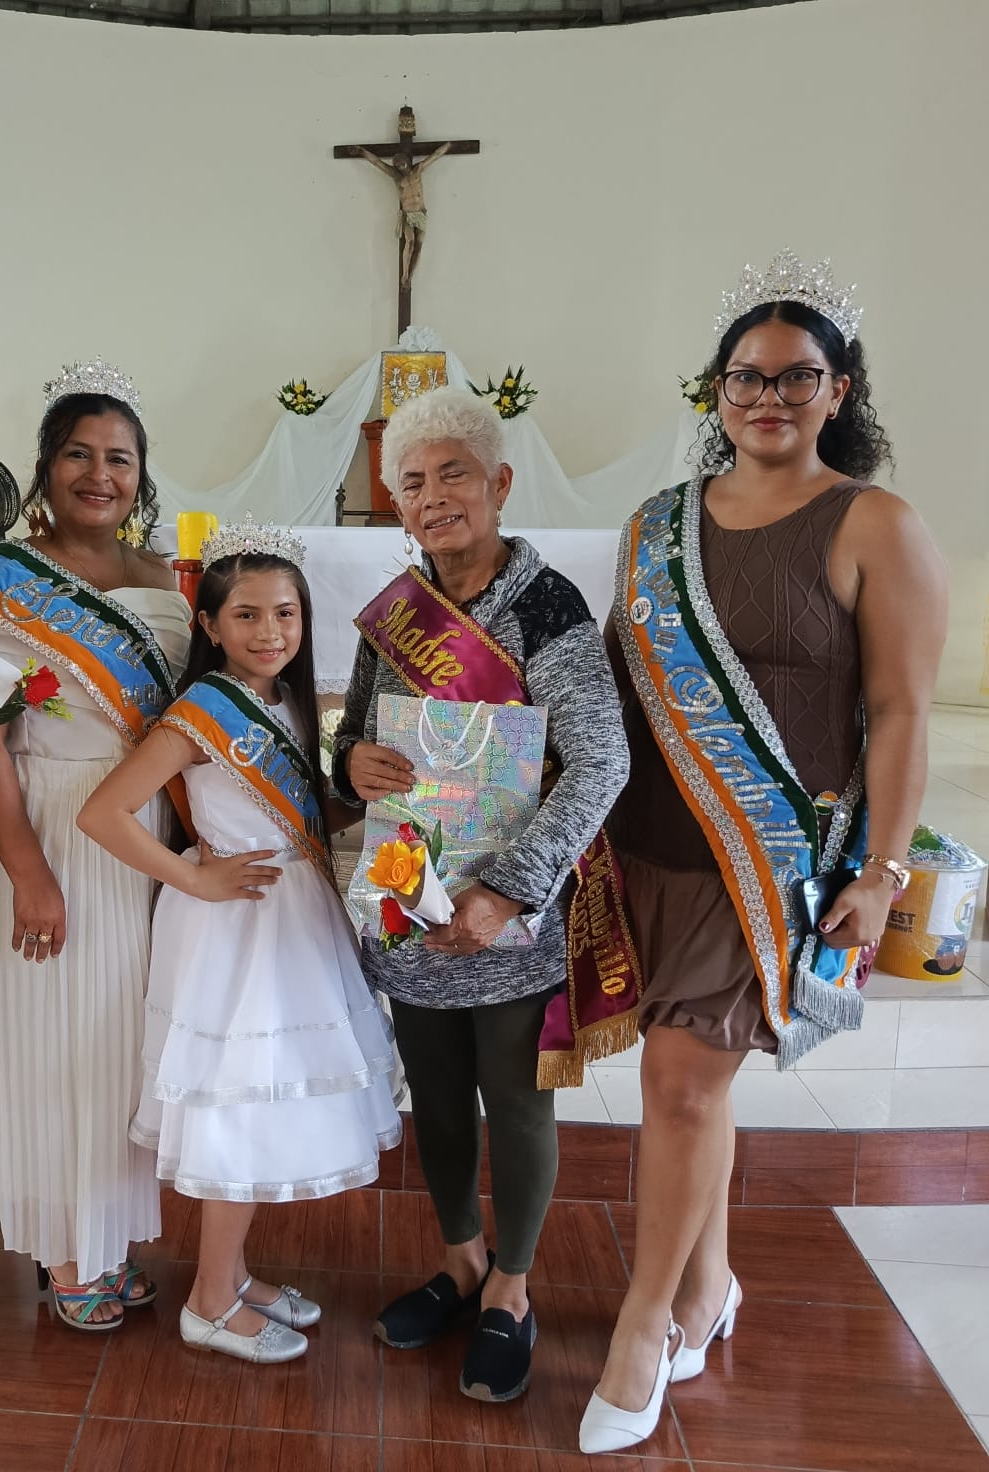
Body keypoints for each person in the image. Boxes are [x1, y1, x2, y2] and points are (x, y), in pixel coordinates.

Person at [585, 251, 947, 1453]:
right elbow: (616, 685)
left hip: (762, 865)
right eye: (745, 375)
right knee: (694, 1086)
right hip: (642, 847)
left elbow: (899, 710)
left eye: (797, 376)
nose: (768, 396)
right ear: (715, 389)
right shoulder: (656, 524)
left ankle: (642, 1323)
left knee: (679, 1086)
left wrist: (880, 874)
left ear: (838, 390)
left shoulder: (874, 523)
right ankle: (706, 1286)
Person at [329, 385, 634, 1403]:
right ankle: (460, 1259)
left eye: (453, 473)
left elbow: (600, 761)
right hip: (410, 903)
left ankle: (511, 1285)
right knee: (436, 1094)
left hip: (511, 913)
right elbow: (351, 738)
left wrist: (508, 892)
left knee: (513, 1099)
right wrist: (353, 762)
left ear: (498, 482)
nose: (433, 496)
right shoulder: (395, 613)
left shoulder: (547, 606)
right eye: (412, 481)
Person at [78, 522, 401, 1363]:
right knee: (241, 1107)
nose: (269, 631)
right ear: (210, 626)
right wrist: (194, 879)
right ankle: (209, 1301)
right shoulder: (201, 711)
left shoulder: (289, 699)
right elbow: (103, 814)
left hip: (294, 913)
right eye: (247, 615)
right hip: (236, 927)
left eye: (285, 613)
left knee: (270, 1098)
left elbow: (306, 811)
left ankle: (235, 1274)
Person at [0, 361, 189, 1331]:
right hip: (46, 823)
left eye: (119, 459)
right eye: (79, 455)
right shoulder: (9, 585)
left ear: (140, 474)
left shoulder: (165, 579)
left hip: (142, 832)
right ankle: (64, 1250)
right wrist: (28, 872)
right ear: (46, 467)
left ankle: (109, 1235)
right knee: (51, 1039)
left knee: (119, 1042)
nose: (100, 475)